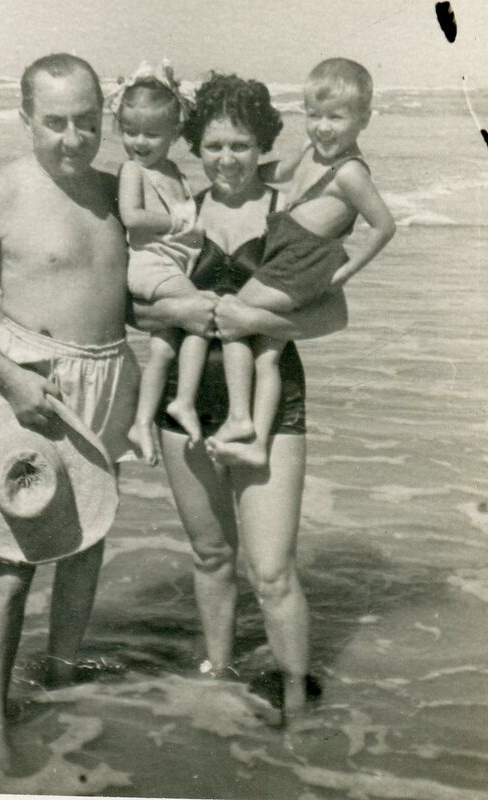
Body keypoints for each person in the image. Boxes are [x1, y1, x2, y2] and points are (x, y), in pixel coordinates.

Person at [0, 53, 141, 768]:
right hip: (34, 385)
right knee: (12, 557)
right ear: (25, 119)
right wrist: (11, 379)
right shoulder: (1, 195)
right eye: (55, 123)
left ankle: (62, 682)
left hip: (110, 376)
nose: (73, 139)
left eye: (87, 121)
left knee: (87, 541)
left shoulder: (117, 192)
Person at [132, 72, 349, 726]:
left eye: (241, 145)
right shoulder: (181, 213)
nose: (226, 159)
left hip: (271, 406)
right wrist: (178, 310)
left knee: (272, 570)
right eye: (214, 146)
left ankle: (295, 700)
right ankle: (220, 678)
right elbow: (136, 308)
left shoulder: (292, 209)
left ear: (262, 145)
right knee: (210, 555)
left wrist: (257, 320)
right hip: (186, 402)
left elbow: (332, 313)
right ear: (195, 145)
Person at [209, 58, 395, 467]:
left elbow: (384, 226)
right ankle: (257, 444)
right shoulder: (312, 150)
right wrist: (243, 168)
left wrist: (347, 271)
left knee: (230, 315)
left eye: (336, 117)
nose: (322, 127)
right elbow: (280, 172)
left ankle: (239, 417)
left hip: (303, 261)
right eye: (314, 115)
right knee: (267, 351)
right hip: (289, 253)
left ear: (363, 119)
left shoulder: (350, 173)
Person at [112, 59, 206, 465]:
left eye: (151, 134)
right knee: (203, 315)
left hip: (173, 264)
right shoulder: (133, 170)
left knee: (164, 348)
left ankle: (141, 423)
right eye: (130, 131)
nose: (139, 142)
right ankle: (183, 401)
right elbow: (132, 217)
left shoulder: (174, 172)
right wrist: (179, 223)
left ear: (175, 133)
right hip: (151, 266)